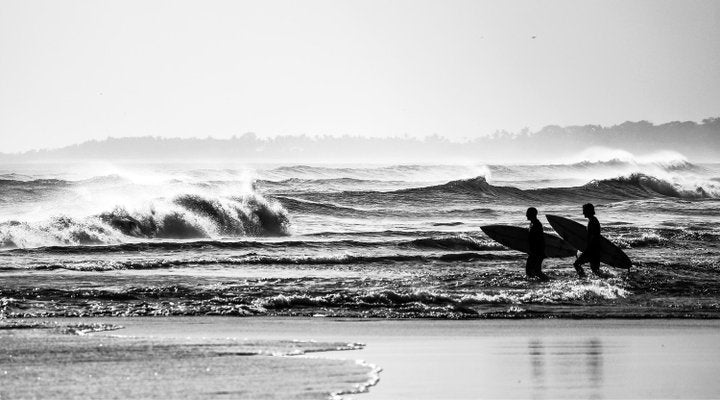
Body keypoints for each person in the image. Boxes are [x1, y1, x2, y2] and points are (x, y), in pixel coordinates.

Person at [573, 203, 606, 278]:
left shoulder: (593, 221)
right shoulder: (593, 220)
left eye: (584, 211)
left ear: (588, 211)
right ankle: (601, 281)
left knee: (577, 264)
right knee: (595, 270)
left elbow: (594, 237)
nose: (583, 213)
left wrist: (587, 250)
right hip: (595, 249)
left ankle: (583, 278)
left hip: (592, 249)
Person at [526, 207, 549, 281]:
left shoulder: (536, 224)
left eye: (527, 213)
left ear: (531, 214)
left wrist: (536, 252)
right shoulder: (533, 224)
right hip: (534, 251)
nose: (526, 215)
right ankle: (534, 283)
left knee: (536, 271)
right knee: (530, 270)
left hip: (537, 251)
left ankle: (546, 281)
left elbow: (539, 239)